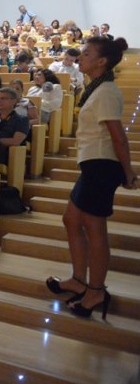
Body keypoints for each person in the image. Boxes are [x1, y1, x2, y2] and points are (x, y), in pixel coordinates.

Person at [46, 37, 136, 319]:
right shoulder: (96, 88)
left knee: (94, 228)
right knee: (71, 219)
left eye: (87, 53)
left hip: (102, 165)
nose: (81, 57)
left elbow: (117, 135)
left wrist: (128, 170)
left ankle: (96, 290)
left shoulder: (106, 91)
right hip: (93, 164)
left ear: (102, 62)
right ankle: (78, 279)